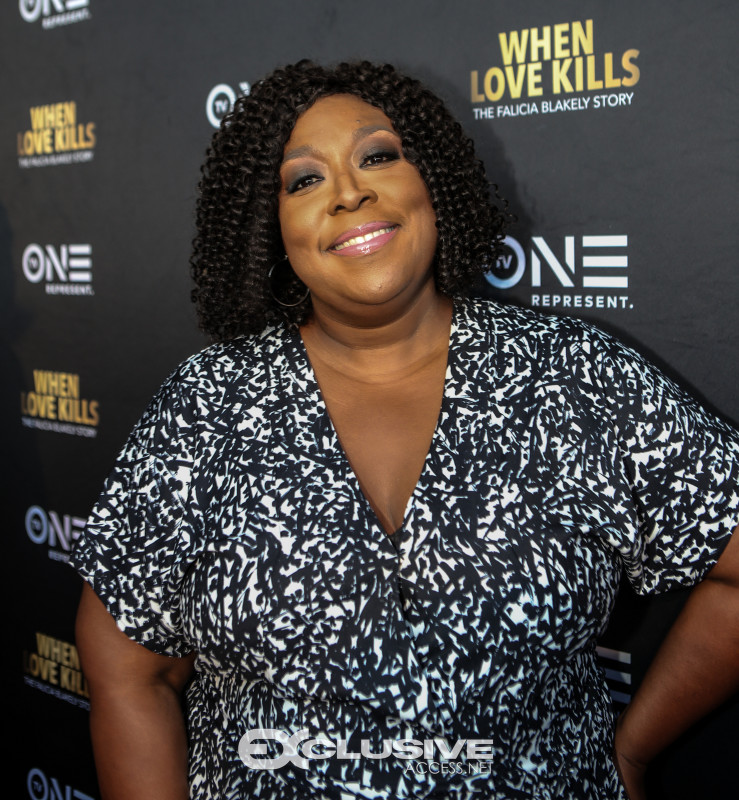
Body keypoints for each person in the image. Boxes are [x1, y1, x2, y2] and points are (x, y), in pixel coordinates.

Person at [71, 60, 739, 800]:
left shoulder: (574, 375)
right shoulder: (207, 403)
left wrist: (632, 751)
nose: (348, 192)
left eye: (377, 157)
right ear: (270, 227)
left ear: (433, 180)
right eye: (304, 180)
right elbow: (128, 671)